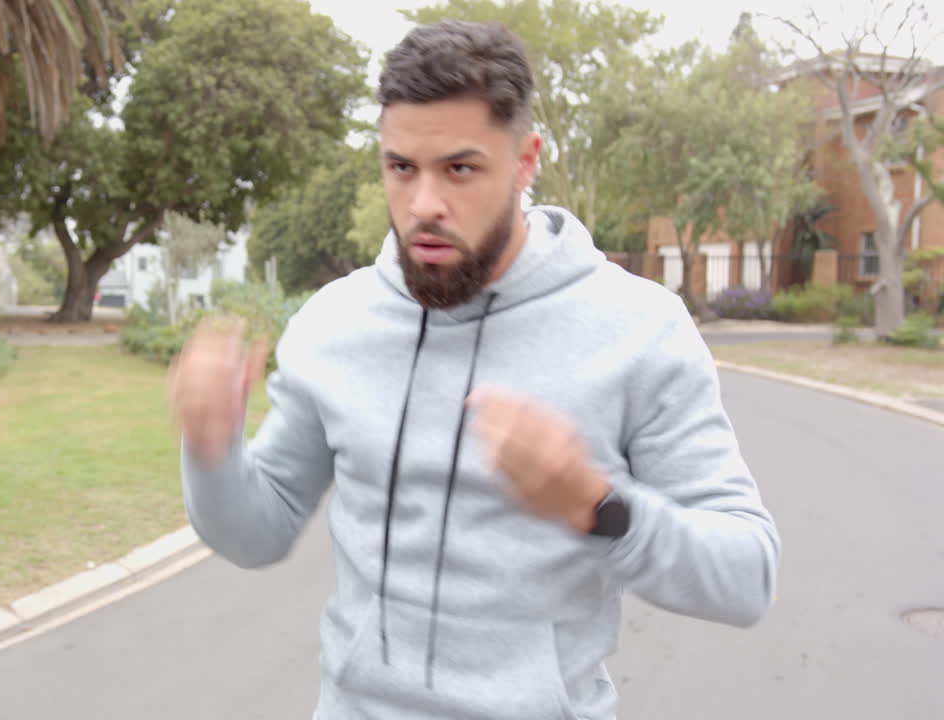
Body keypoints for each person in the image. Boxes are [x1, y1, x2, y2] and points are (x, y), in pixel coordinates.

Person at [168, 19, 780, 720]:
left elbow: (746, 576)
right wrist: (211, 452)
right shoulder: (334, 325)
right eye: (401, 167)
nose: (425, 204)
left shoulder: (640, 330)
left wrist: (597, 506)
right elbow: (258, 532)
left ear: (525, 162)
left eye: (460, 168)